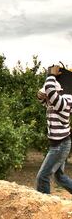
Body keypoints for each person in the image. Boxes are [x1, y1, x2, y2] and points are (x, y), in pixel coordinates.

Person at [36, 65, 72, 194]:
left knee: (42, 177)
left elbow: (51, 92)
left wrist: (51, 75)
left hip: (60, 145)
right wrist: (40, 95)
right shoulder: (54, 101)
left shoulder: (65, 101)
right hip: (58, 144)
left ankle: (42, 203)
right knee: (59, 177)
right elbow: (43, 99)